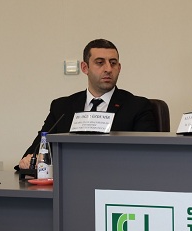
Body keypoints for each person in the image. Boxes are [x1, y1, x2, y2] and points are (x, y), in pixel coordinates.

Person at [18, 39, 158, 169]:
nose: (108, 69)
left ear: (119, 68)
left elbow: (149, 156)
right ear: (85, 68)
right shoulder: (62, 107)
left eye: (113, 63)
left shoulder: (137, 106)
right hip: (70, 180)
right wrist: (31, 160)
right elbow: (35, 151)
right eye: (100, 62)